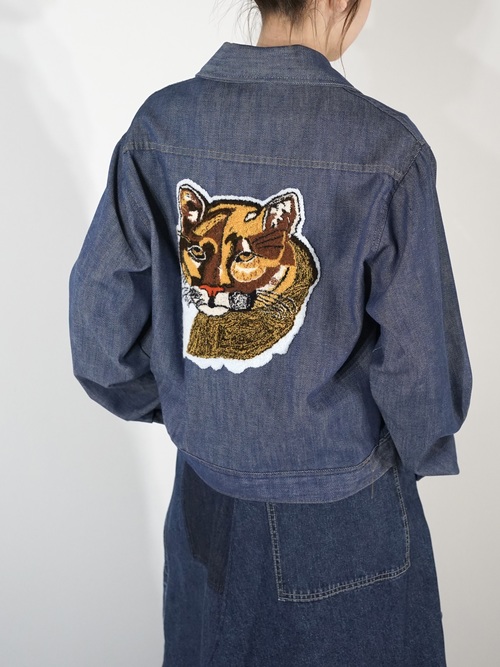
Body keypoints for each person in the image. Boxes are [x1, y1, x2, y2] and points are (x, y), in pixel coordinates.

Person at [69, 0, 472, 664]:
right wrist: (416, 447)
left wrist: (199, 405)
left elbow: (100, 334)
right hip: (348, 511)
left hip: (204, 504)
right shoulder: (386, 148)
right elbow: (423, 375)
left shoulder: (160, 127)